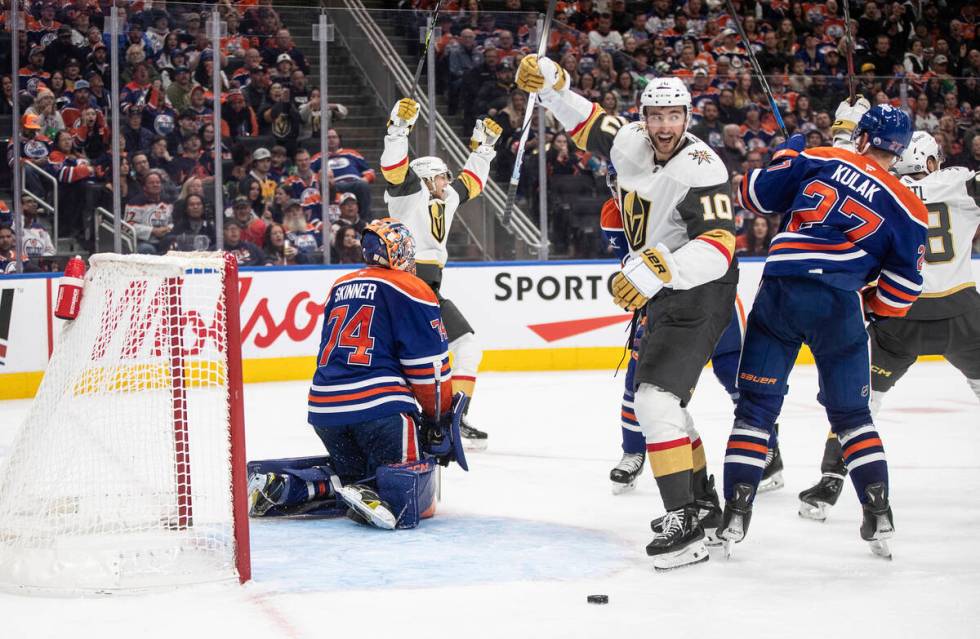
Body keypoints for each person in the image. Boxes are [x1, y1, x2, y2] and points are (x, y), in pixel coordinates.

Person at [517, 57, 738, 570]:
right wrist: (551, 84)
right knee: (669, 407)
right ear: (644, 117)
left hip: (701, 288)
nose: (665, 126)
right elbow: (585, 119)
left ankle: (683, 526)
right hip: (663, 287)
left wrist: (652, 269)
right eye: (656, 116)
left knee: (654, 401)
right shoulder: (630, 139)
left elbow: (720, 245)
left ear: (688, 117)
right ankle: (703, 503)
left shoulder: (703, 167)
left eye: (674, 116)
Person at [719, 105, 928, 561]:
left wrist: (785, 153)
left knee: (755, 409)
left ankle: (735, 512)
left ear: (862, 135)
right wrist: (868, 305)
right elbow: (904, 288)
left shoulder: (823, 157)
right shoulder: (910, 206)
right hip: (838, 302)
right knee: (852, 415)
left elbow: (752, 195)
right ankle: (879, 512)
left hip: (781, 292)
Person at [797, 131, 980, 522]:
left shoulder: (881, 188)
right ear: (932, 161)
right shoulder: (961, 181)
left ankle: (828, 485)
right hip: (964, 316)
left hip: (900, 317)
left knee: (858, 406)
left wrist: (845, 132)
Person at [247, 218, 464, 530]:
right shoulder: (412, 287)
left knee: (353, 473)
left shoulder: (341, 284)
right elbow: (429, 367)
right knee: (415, 497)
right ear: (400, 252)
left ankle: (292, 485)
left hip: (325, 410)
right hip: (380, 411)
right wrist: (437, 419)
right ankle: (379, 491)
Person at [380, 97, 500, 451]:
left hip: (427, 289)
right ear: (427, 178)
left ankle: (454, 418)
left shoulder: (444, 198)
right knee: (430, 356)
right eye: (442, 176)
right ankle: (422, 418)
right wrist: (398, 130)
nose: (449, 181)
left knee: (465, 347)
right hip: (405, 286)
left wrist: (484, 149)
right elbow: (393, 167)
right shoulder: (407, 194)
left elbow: (472, 182)